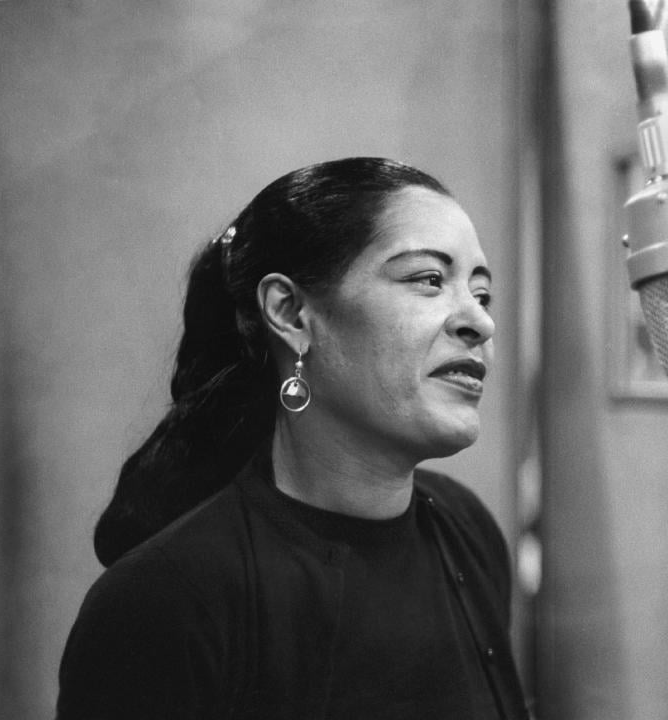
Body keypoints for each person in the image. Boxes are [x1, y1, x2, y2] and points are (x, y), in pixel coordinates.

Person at [56, 157, 529, 720]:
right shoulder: (166, 602)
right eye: (429, 279)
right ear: (292, 313)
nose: (479, 321)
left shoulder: (465, 530)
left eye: (482, 294)